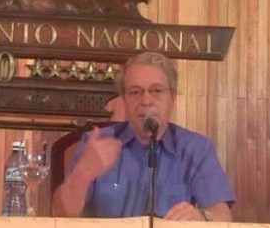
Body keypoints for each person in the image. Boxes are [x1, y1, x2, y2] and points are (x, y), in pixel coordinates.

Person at [52, 52, 235, 221]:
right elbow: (59, 215)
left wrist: (202, 217)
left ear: (172, 98)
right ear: (124, 100)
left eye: (156, 91)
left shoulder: (196, 149)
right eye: (135, 92)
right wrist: (83, 173)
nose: (146, 101)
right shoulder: (96, 144)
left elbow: (222, 214)